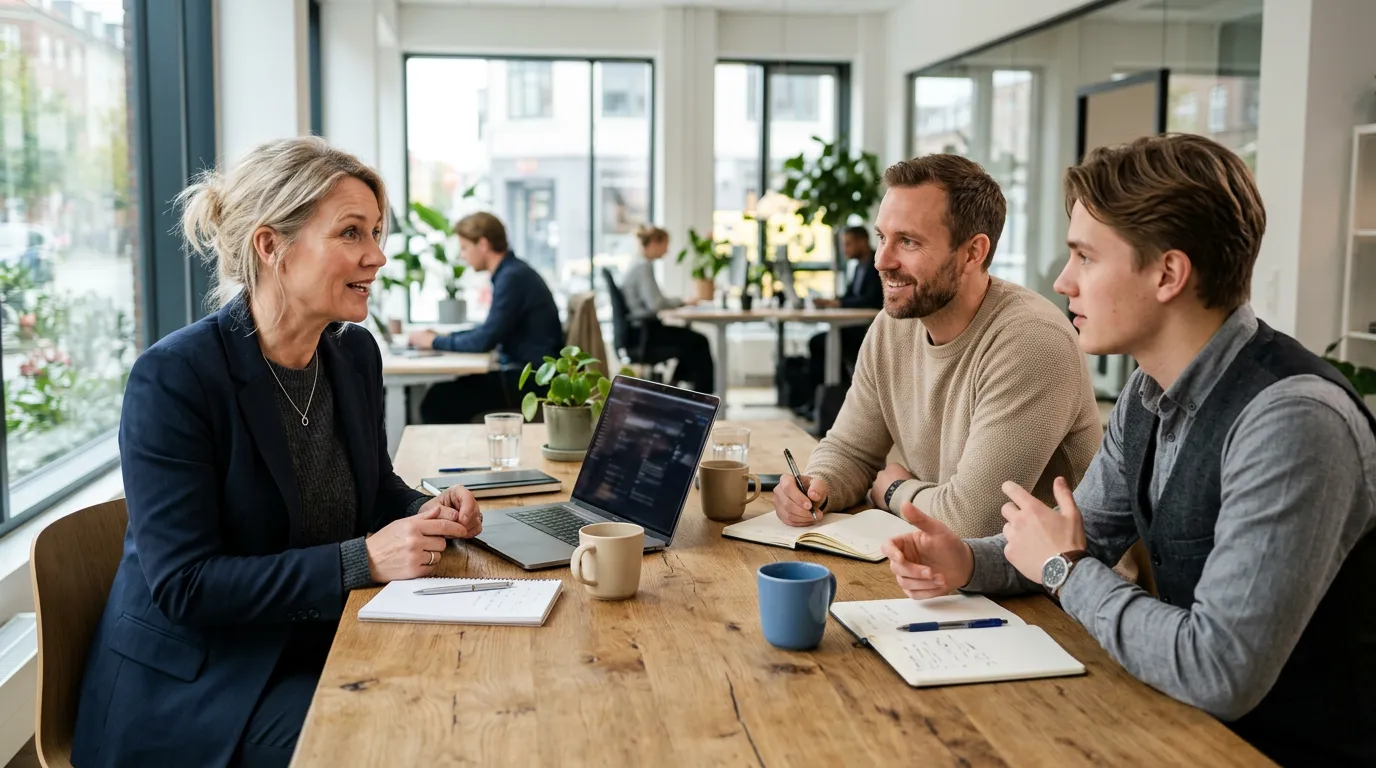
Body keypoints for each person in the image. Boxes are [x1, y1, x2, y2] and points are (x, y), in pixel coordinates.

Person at [881, 134, 1375, 765]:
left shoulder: (1293, 422)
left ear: (1168, 273)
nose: (1063, 281)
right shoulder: (1148, 390)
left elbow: (1217, 668)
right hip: (1171, 724)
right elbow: (1072, 537)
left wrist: (1063, 570)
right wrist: (967, 564)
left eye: (1085, 257)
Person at [71, 137, 485, 768]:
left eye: (376, 232)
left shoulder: (351, 354)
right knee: (401, 741)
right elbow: (186, 586)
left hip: (312, 638)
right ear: (271, 247)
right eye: (352, 232)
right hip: (203, 684)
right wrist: (363, 559)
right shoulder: (174, 379)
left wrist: (427, 511)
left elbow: (370, 491)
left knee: (460, 696)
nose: (377, 256)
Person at [772, 154, 1102, 539]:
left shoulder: (1031, 341)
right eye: (882, 237)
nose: (881, 260)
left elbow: (973, 522)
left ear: (973, 253)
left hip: (1050, 590)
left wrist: (894, 490)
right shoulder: (892, 328)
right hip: (956, 574)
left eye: (908, 241)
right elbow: (851, 450)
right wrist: (816, 486)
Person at [409, 212, 564, 422]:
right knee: (442, 394)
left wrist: (434, 341)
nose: (462, 256)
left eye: (464, 248)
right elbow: (489, 330)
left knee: (438, 400)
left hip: (529, 379)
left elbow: (484, 340)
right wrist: (442, 337)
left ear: (482, 244)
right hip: (526, 373)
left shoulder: (512, 278)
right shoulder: (512, 272)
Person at [619, 224, 715, 394]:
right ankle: (700, 395)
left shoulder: (638, 264)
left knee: (693, 342)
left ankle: (675, 387)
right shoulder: (642, 267)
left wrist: (680, 302)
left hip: (641, 331)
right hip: (645, 332)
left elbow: (655, 301)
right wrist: (682, 302)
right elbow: (655, 304)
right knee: (699, 342)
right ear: (655, 242)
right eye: (666, 244)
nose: (668, 250)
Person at [798, 225, 884, 415]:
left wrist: (837, 302)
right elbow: (850, 295)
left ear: (863, 241)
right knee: (818, 342)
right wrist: (832, 301)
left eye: (848, 244)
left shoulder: (877, 264)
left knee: (820, 342)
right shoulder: (859, 266)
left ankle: (830, 401)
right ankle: (817, 403)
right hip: (851, 326)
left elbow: (872, 300)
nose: (845, 249)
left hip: (865, 328)